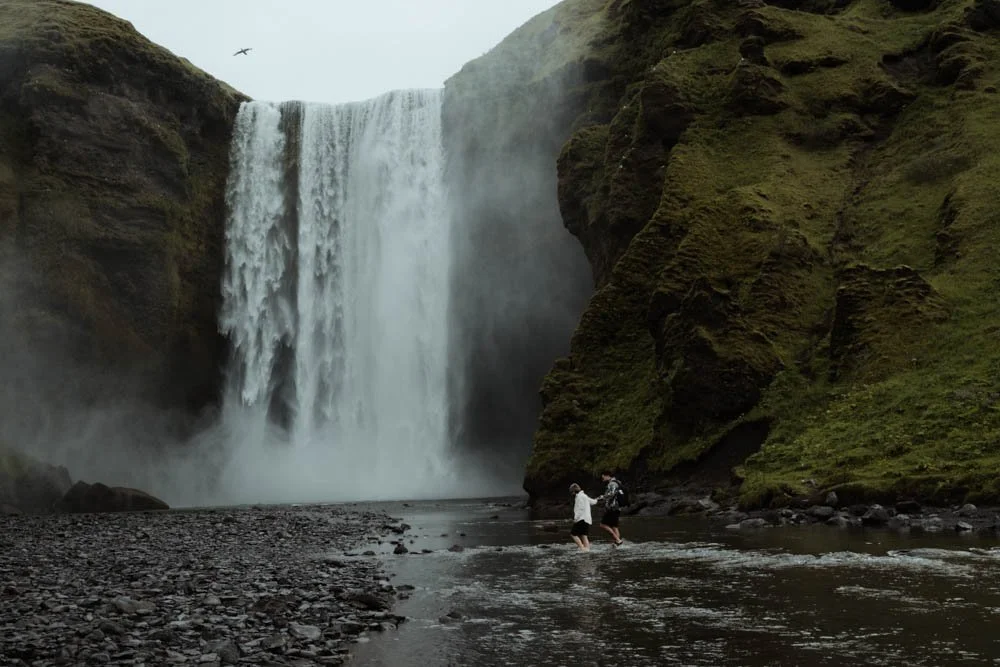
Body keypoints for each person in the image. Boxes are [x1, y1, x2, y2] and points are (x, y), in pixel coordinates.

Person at [568, 483, 599, 552]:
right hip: (587, 519)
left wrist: (575, 519)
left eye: (571, 492)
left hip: (581, 519)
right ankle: (587, 550)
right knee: (584, 535)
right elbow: (593, 502)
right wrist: (598, 499)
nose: (571, 494)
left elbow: (580, 508)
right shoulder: (584, 496)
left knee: (573, 534)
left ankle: (582, 548)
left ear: (574, 491)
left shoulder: (579, 497)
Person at [598, 471, 624, 546]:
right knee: (614, 526)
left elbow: (611, 494)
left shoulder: (612, 483)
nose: (602, 479)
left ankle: (618, 540)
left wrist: (601, 497)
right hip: (618, 507)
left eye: (603, 477)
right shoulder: (618, 482)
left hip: (612, 508)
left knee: (602, 524)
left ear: (607, 476)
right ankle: (616, 544)